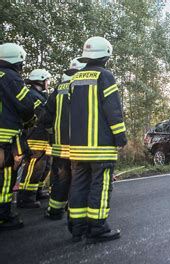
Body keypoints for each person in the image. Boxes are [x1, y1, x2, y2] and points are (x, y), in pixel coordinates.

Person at [68, 37, 127, 243]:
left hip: (76, 147)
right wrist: (120, 137)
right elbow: (113, 110)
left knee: (79, 185)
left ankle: (78, 229)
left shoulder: (74, 79)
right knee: (100, 187)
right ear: (106, 55)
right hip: (100, 147)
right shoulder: (105, 76)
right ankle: (98, 229)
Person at [42, 58, 85, 220]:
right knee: (78, 178)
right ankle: (75, 213)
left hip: (60, 145)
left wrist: (51, 133)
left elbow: (45, 116)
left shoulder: (59, 89)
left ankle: (54, 211)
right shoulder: (87, 87)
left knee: (60, 178)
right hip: (80, 146)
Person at [0, 43, 36, 230]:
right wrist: (30, 122)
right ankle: (3, 216)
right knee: (6, 176)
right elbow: (26, 105)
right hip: (4, 139)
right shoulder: (11, 78)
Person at [17, 69, 52, 208]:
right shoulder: (33, 96)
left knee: (44, 165)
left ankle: (37, 190)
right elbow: (43, 114)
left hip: (43, 136)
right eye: (47, 80)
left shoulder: (40, 95)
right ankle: (25, 196)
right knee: (34, 165)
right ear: (40, 80)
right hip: (35, 137)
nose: (48, 83)